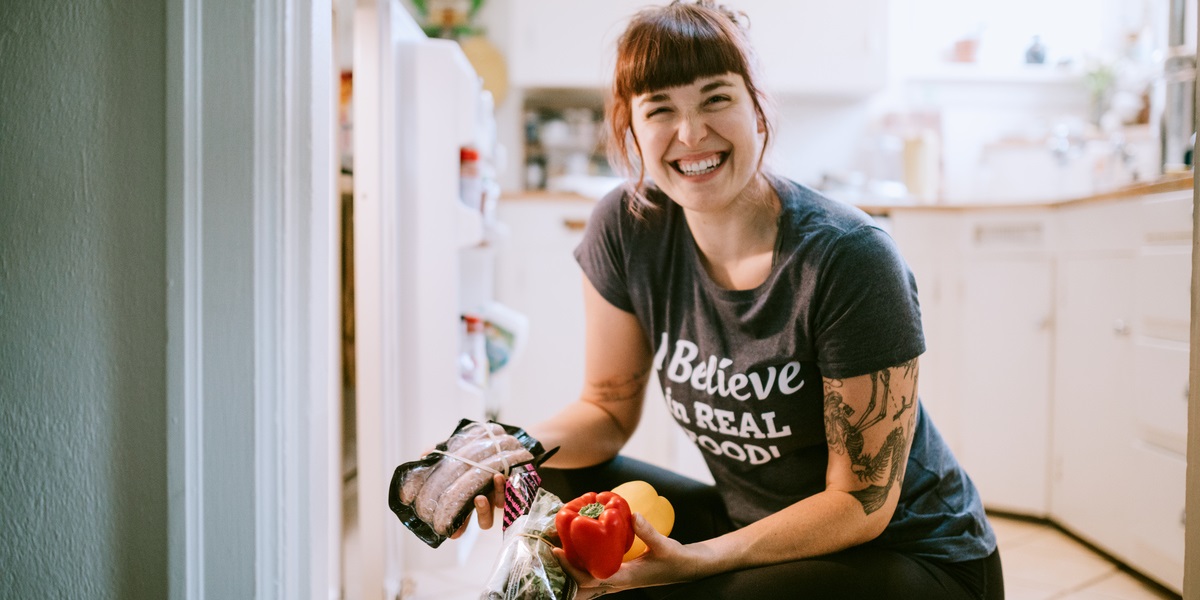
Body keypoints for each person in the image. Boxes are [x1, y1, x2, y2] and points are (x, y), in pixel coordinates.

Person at [462, 2, 1002, 598]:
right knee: (557, 476)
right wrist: (507, 450)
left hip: (912, 555)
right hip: (754, 525)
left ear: (756, 109)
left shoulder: (849, 256)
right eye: (660, 108)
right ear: (630, 129)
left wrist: (697, 560)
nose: (691, 134)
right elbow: (608, 408)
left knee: (707, 593)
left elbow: (860, 502)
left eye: (715, 98)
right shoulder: (627, 227)